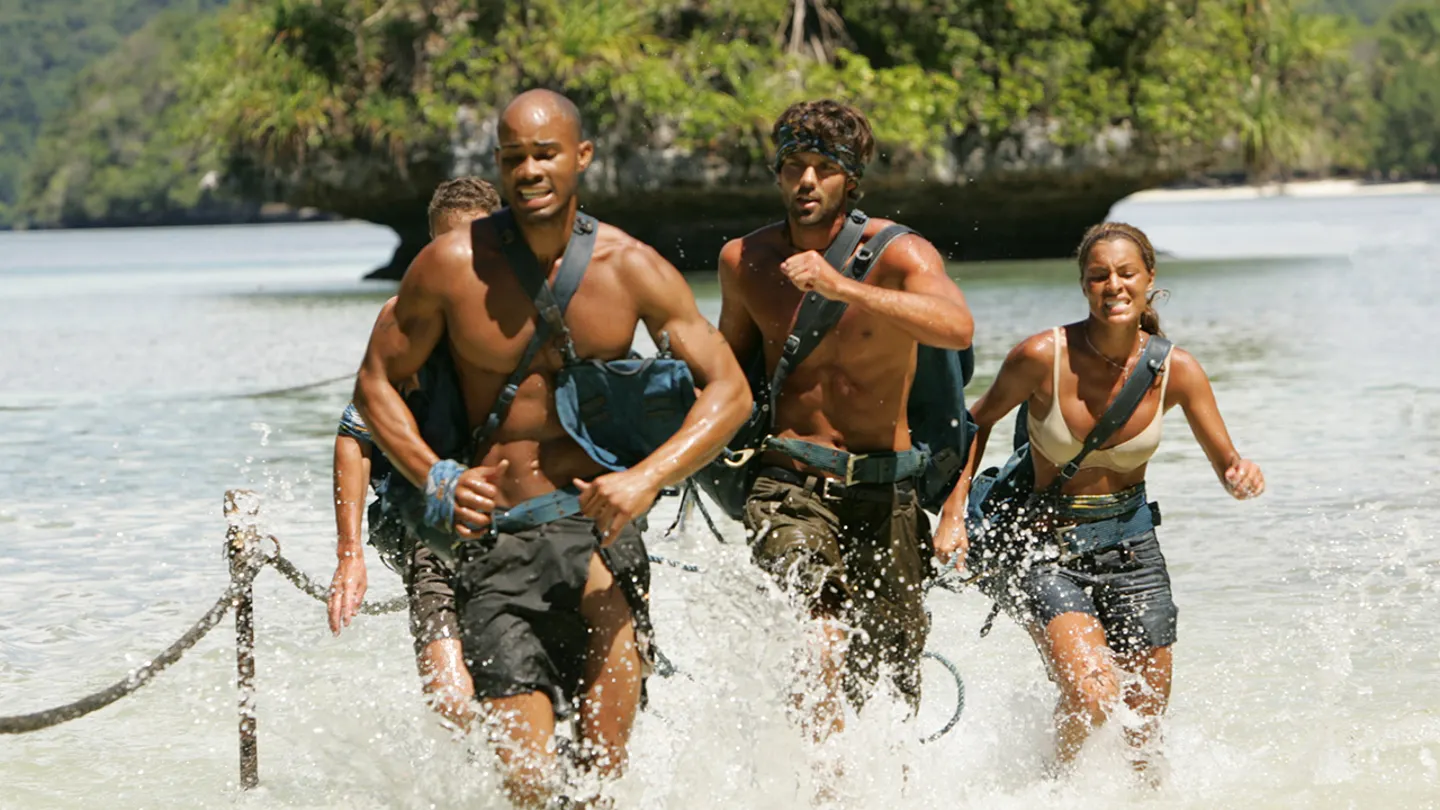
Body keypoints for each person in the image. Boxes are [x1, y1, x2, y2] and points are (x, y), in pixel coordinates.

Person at [354, 89, 750, 807]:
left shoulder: (630, 267)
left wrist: (646, 479)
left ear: (582, 158)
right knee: (530, 785)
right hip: (496, 543)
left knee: (600, 777)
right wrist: (434, 473)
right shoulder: (449, 267)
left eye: (545, 154)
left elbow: (730, 390)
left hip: (598, 531)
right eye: (513, 158)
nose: (529, 170)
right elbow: (376, 385)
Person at [934, 222, 1265, 777]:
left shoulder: (1176, 371)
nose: (1113, 285)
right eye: (1099, 276)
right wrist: (953, 512)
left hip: (1134, 551)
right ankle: (1054, 788)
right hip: (1046, 551)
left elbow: (1227, 462)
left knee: (1144, 726)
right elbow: (974, 422)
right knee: (1092, 695)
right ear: (1085, 286)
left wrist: (1240, 476)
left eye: (1126, 273)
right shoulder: (1042, 355)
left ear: (1149, 279)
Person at [715, 99, 974, 739]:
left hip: (888, 487)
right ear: (777, 176)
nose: (806, 182)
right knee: (820, 642)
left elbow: (957, 326)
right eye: (793, 167)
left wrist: (844, 289)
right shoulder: (742, 261)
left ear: (849, 181)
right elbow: (727, 372)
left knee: (888, 684)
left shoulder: (900, 254)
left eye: (822, 169)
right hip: (789, 482)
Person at [327, 176, 501, 731]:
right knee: (452, 701)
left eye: (478, 245)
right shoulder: (402, 323)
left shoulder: (534, 312)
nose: (463, 259)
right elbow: (355, 436)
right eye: (447, 247)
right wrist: (350, 554)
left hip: (527, 520)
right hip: (437, 525)